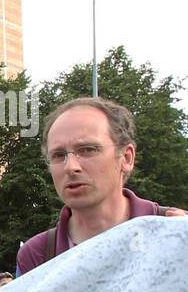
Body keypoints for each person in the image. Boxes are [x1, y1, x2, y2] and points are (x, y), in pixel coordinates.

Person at [18, 97, 185, 275]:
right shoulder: (37, 255)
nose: (71, 167)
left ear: (126, 158)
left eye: (87, 150)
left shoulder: (174, 230)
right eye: (59, 155)